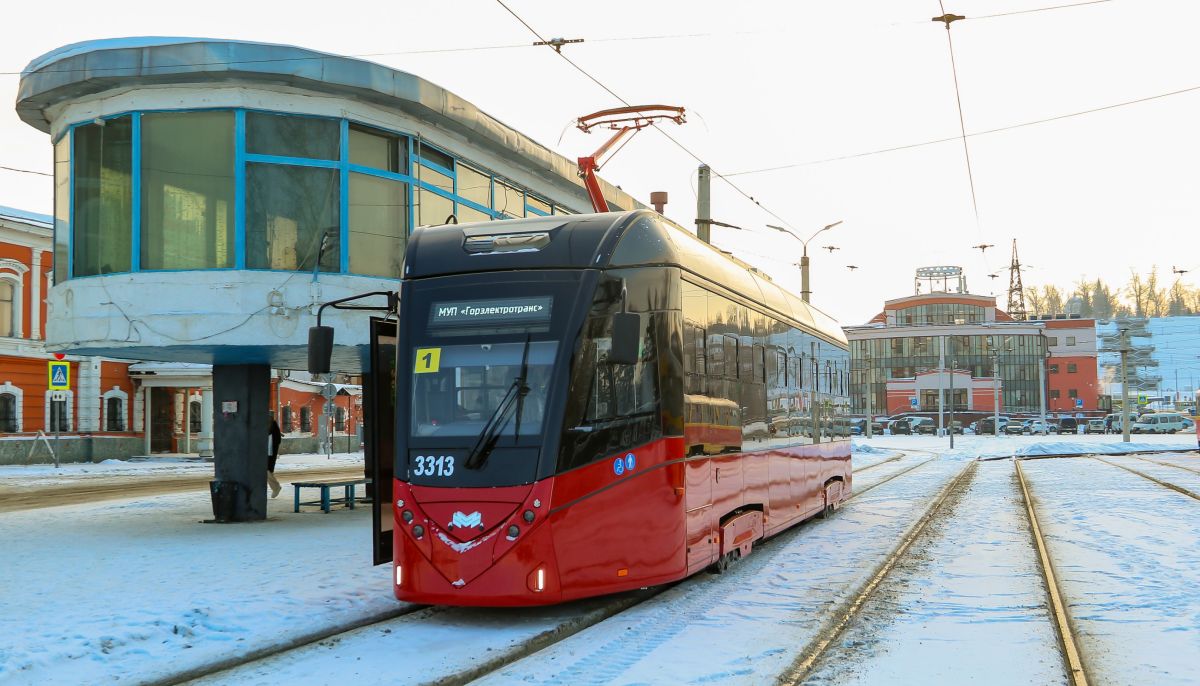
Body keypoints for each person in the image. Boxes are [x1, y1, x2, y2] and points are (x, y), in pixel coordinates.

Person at [267, 414, 283, 498]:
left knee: (267, 471)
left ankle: (276, 487)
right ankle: (275, 487)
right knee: (266, 471)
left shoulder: (273, 429)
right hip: (266, 453)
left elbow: (277, 441)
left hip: (270, 453)